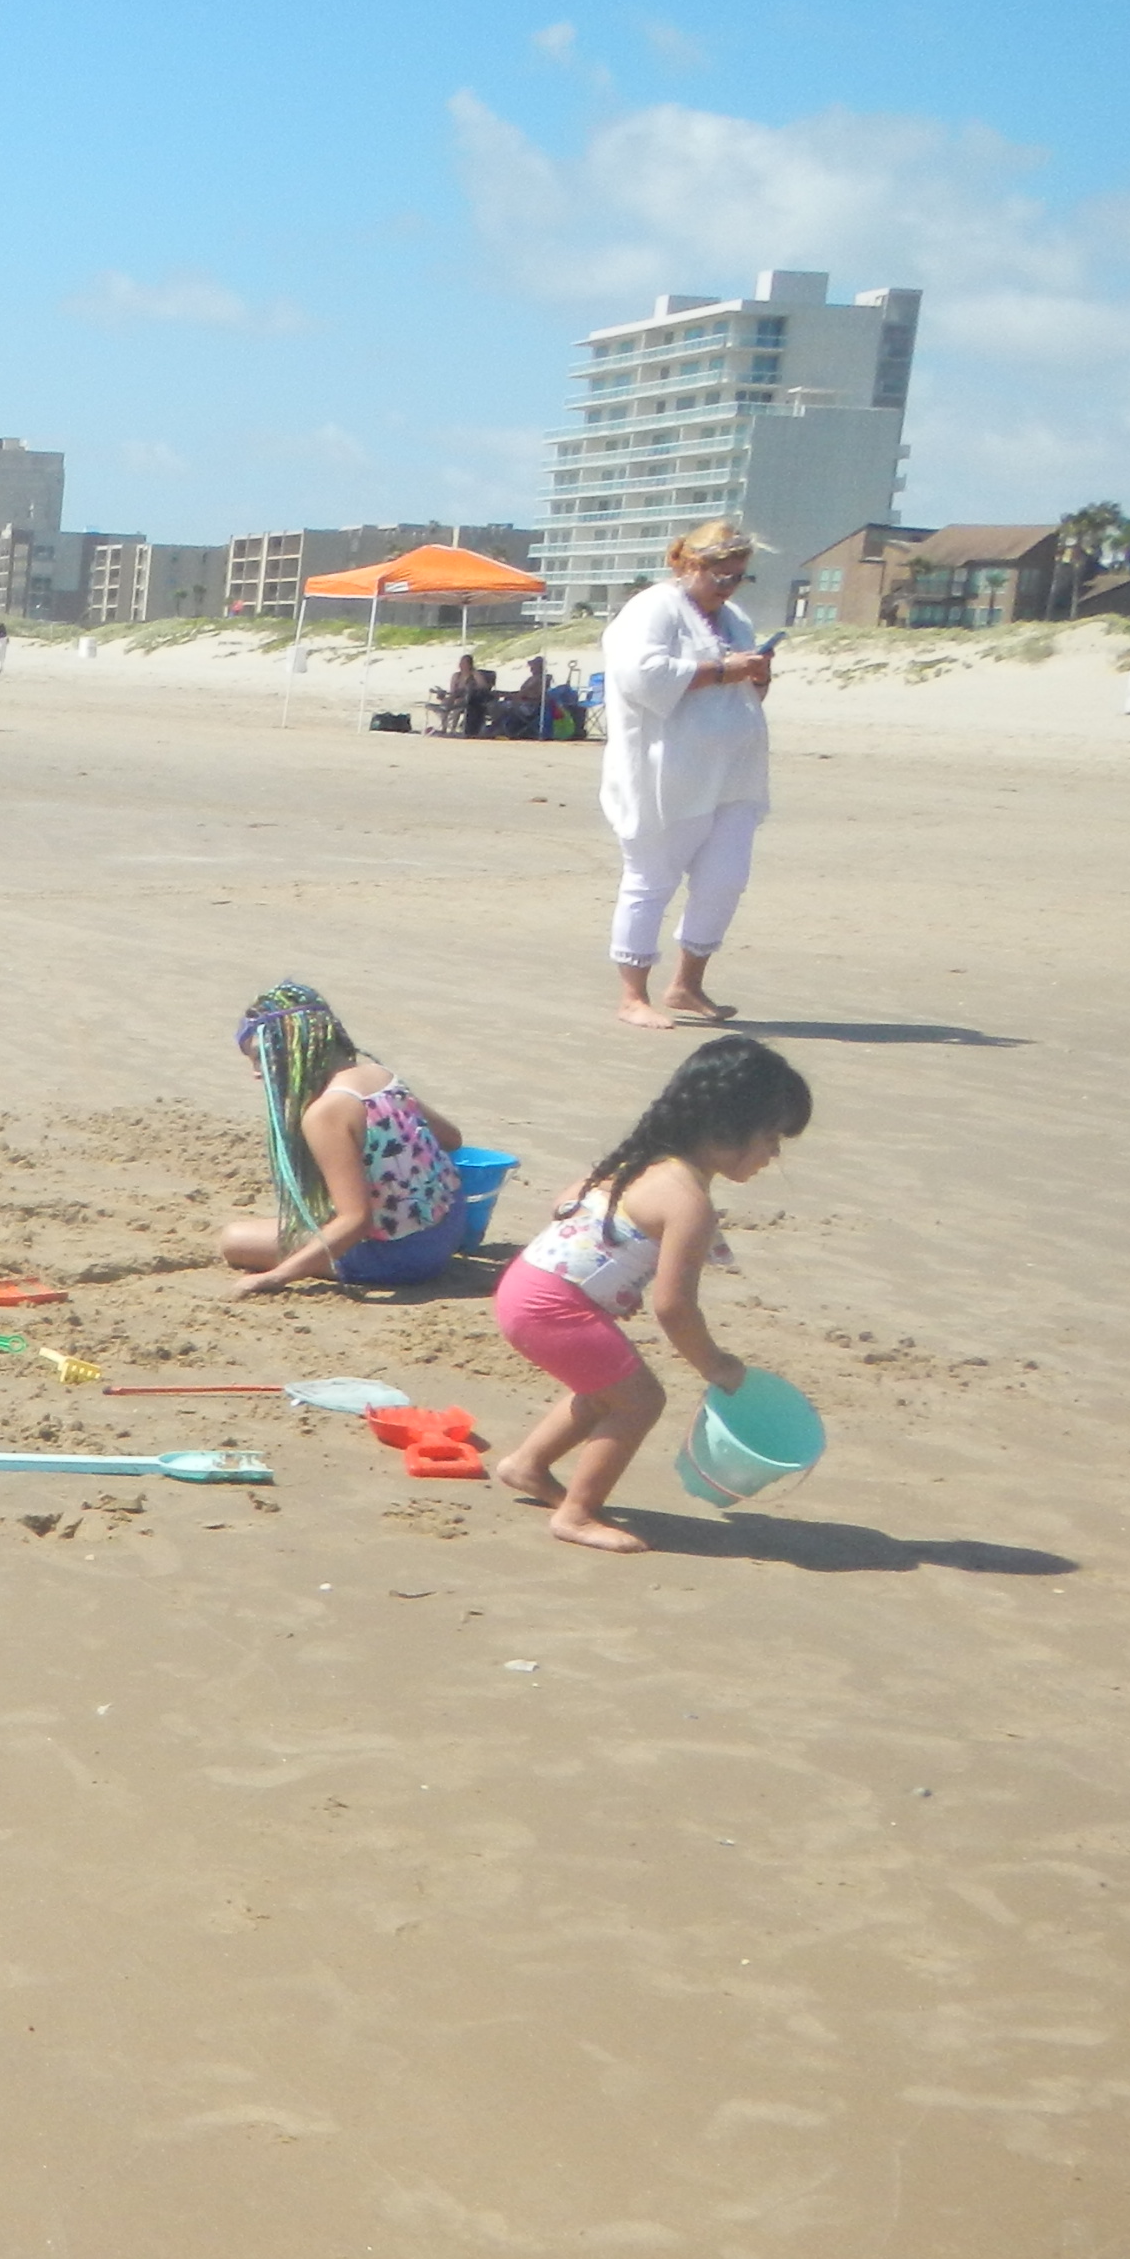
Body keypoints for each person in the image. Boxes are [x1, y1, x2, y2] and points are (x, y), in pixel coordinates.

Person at [489, 1035, 813, 1553]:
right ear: (728, 1129)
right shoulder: (689, 1203)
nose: (773, 1155)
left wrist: (609, 1273)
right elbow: (674, 1307)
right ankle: (577, 1513)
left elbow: (565, 1202)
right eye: (772, 1138)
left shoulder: (641, 1161)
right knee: (640, 1401)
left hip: (526, 1285)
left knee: (604, 1387)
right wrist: (715, 1365)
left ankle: (525, 1465)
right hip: (553, 1307)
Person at [599, 517, 775, 1030]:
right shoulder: (653, 608)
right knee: (651, 880)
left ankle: (687, 984)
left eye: (738, 576)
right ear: (691, 564)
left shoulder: (735, 617)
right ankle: (633, 995)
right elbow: (641, 675)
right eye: (720, 575)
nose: (729, 586)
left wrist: (756, 673)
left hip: (733, 774)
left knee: (725, 880)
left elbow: (747, 688)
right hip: (665, 774)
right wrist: (724, 670)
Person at [216, 980, 466, 1295]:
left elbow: (356, 1221)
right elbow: (452, 1139)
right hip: (450, 1227)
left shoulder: (326, 1114)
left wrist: (275, 1277)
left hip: (402, 1259)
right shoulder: (379, 1074)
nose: (256, 1072)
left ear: (293, 1049)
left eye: (260, 1058)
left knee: (235, 1239)